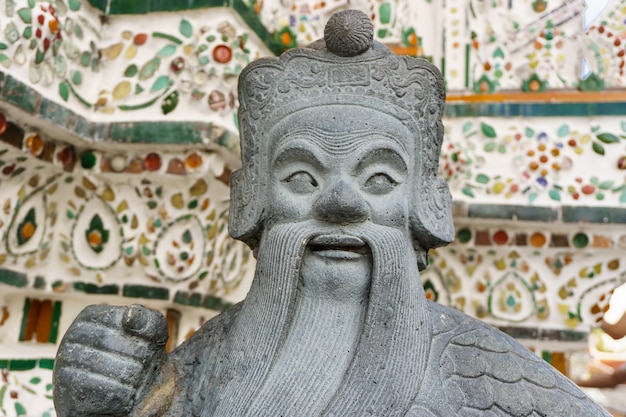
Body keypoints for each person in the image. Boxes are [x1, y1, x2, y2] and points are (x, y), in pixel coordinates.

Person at [52, 10, 610, 417]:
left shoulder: (497, 380)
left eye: (379, 180)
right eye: (302, 177)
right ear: (249, 200)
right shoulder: (193, 370)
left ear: (427, 206)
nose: (341, 203)